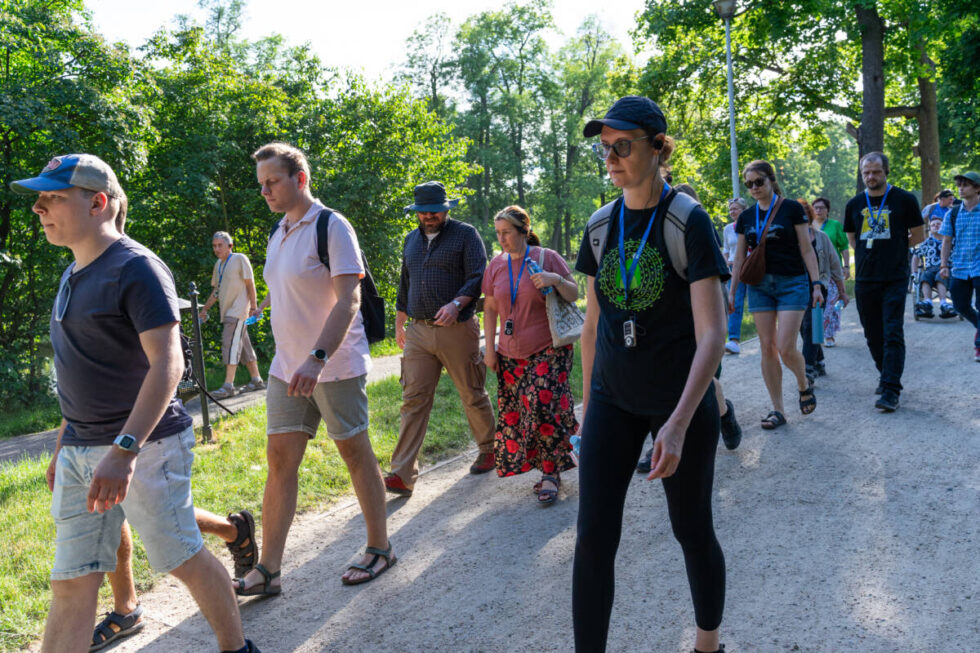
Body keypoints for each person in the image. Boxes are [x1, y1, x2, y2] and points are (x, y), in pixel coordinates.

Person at [14, 153, 259, 653]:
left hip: (146, 448)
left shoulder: (137, 268)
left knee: (181, 557)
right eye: (39, 198)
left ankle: (238, 649)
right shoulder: (71, 273)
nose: (38, 207)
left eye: (52, 197)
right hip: (82, 451)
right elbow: (79, 372)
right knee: (72, 580)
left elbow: (169, 365)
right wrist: (64, 445)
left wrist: (123, 451)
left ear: (98, 203)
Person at [574, 95, 729, 653]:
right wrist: (589, 410)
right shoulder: (598, 225)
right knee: (593, 538)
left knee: (691, 531)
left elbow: (712, 334)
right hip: (613, 398)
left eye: (623, 146)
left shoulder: (687, 221)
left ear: (657, 147)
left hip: (679, 402)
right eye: (604, 148)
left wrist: (681, 423)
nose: (611, 158)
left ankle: (707, 643)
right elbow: (592, 327)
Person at [235, 142, 393, 594]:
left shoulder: (331, 225)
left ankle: (380, 547)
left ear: (299, 179)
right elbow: (287, 286)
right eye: (261, 184)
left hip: (333, 363)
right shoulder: (277, 231)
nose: (265, 191)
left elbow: (349, 300)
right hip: (288, 367)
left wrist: (317, 357)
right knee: (280, 461)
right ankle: (268, 570)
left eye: (273, 182)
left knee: (353, 452)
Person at [386, 181, 496, 497]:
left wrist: (457, 303)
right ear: (417, 213)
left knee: (471, 391)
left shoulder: (465, 235)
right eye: (423, 212)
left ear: (446, 208)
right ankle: (403, 474)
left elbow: (478, 276)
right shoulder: (411, 240)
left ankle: (489, 448)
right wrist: (399, 322)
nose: (430, 216)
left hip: (457, 328)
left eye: (435, 210)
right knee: (413, 399)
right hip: (418, 331)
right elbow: (405, 284)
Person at [482, 205, 578, 505]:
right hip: (510, 353)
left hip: (549, 348)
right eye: (498, 234)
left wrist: (555, 280)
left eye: (506, 233)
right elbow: (489, 307)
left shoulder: (545, 257)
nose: (502, 239)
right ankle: (565, 446)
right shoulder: (496, 265)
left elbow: (574, 293)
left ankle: (551, 474)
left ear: (523, 230)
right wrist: (490, 348)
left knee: (542, 408)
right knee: (522, 414)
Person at [730, 160, 823, 429]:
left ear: (771, 180)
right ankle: (777, 409)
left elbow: (807, 249)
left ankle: (803, 383)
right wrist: (733, 293)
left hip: (792, 283)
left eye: (759, 181)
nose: (755, 188)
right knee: (767, 347)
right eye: (749, 184)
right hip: (759, 286)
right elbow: (738, 258)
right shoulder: (746, 218)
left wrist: (816, 284)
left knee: (785, 347)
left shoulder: (791, 209)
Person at [843, 151, 925, 411]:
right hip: (866, 279)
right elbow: (853, 239)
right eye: (866, 172)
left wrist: (896, 249)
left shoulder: (904, 200)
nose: (870, 176)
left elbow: (918, 235)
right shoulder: (855, 204)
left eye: (876, 172)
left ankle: (890, 389)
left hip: (895, 277)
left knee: (892, 331)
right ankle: (886, 373)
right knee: (872, 333)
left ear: (886, 172)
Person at [198, 231, 265, 398]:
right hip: (227, 312)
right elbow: (217, 290)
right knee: (243, 346)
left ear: (230, 246)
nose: (216, 249)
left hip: (239, 311)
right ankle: (256, 380)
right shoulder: (218, 265)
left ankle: (228, 386)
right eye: (214, 246)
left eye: (220, 245)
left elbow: (250, 284)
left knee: (230, 343)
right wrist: (205, 309)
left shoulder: (239, 258)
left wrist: (253, 308)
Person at [797, 199, 848, 380]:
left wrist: (842, 292)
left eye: (804, 212)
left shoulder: (821, 238)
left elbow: (835, 266)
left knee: (811, 325)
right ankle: (819, 360)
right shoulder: (788, 239)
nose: (801, 215)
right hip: (795, 288)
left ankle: (807, 368)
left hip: (820, 286)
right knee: (803, 329)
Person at [940, 171, 980, 362]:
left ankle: (979, 346)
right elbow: (946, 241)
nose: (961, 188)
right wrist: (943, 265)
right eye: (959, 185)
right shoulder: (953, 214)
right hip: (960, 267)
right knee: (960, 306)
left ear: (977, 188)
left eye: (966, 185)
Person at [810, 196, 850, 346]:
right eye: (816, 208)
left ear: (827, 210)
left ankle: (829, 335)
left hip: (832, 271)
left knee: (833, 305)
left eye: (822, 208)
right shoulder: (809, 227)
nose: (818, 210)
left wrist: (846, 266)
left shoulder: (835, 225)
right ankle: (819, 333)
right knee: (819, 305)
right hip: (815, 272)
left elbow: (844, 247)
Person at [912, 216, 955, 318]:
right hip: (930, 269)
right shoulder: (926, 243)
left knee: (941, 276)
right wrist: (914, 273)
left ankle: (943, 303)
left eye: (938, 224)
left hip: (946, 269)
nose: (936, 226)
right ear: (930, 228)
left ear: (944, 226)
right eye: (933, 225)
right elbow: (915, 256)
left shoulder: (950, 241)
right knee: (925, 276)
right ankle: (928, 303)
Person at [723, 198, 749, 354]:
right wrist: (728, 267)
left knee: (755, 302)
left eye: (736, 209)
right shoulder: (727, 229)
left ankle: (767, 336)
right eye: (731, 209)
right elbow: (726, 250)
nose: (732, 212)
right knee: (734, 303)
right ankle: (733, 340)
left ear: (744, 210)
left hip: (750, 267)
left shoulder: (750, 225)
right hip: (734, 269)